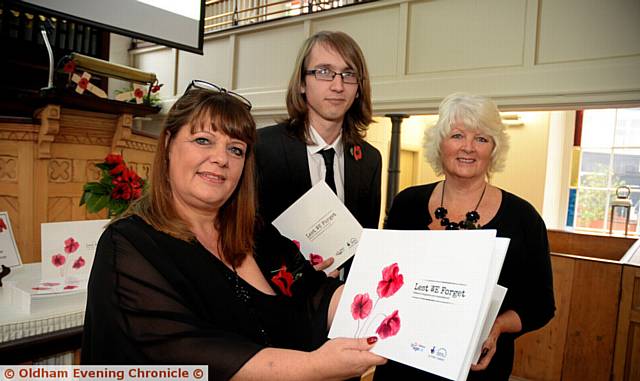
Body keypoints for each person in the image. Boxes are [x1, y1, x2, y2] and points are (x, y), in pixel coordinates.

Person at [81, 82, 386, 380]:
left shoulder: (257, 234)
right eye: (203, 140)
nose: (221, 158)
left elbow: (315, 294)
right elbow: (186, 355)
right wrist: (314, 367)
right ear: (168, 145)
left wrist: (390, 300)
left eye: (236, 149)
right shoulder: (129, 245)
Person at [373, 93, 555, 381]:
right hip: (402, 362)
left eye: (482, 139)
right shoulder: (406, 203)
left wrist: (496, 327)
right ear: (440, 144)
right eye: (457, 135)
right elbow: (382, 277)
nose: (468, 148)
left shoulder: (524, 218)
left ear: (494, 149)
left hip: (477, 367)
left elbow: (541, 306)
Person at [255, 31, 382, 275]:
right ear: (302, 83)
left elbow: (366, 245)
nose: (338, 86)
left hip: (344, 302)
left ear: (358, 88)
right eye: (324, 72)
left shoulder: (369, 160)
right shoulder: (263, 148)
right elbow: (249, 239)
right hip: (279, 303)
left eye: (348, 74)